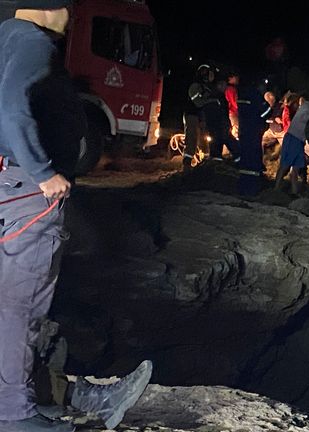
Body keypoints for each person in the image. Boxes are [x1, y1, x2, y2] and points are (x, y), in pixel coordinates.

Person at [0, 2, 152, 431]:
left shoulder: (5, 38)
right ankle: (14, 414)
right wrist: (43, 171)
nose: (71, 14)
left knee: (10, 302)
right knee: (20, 304)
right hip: (27, 192)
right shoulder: (31, 42)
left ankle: (63, 396)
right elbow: (11, 109)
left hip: (9, 183)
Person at [236, 80, 272, 196]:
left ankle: (243, 185)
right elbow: (266, 111)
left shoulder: (242, 95)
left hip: (243, 131)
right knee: (254, 157)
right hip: (254, 131)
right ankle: (254, 187)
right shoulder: (255, 95)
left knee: (245, 157)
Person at [275, 94, 309, 196]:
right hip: (293, 138)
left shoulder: (307, 109)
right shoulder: (307, 109)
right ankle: (276, 189)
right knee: (286, 165)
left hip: (298, 140)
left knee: (296, 168)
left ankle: (294, 191)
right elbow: (308, 125)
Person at [183, 64, 218, 170]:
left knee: (205, 138)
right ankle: (187, 162)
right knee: (192, 137)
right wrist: (211, 100)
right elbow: (198, 103)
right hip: (192, 114)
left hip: (202, 116)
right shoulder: (195, 86)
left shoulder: (207, 87)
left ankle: (205, 161)